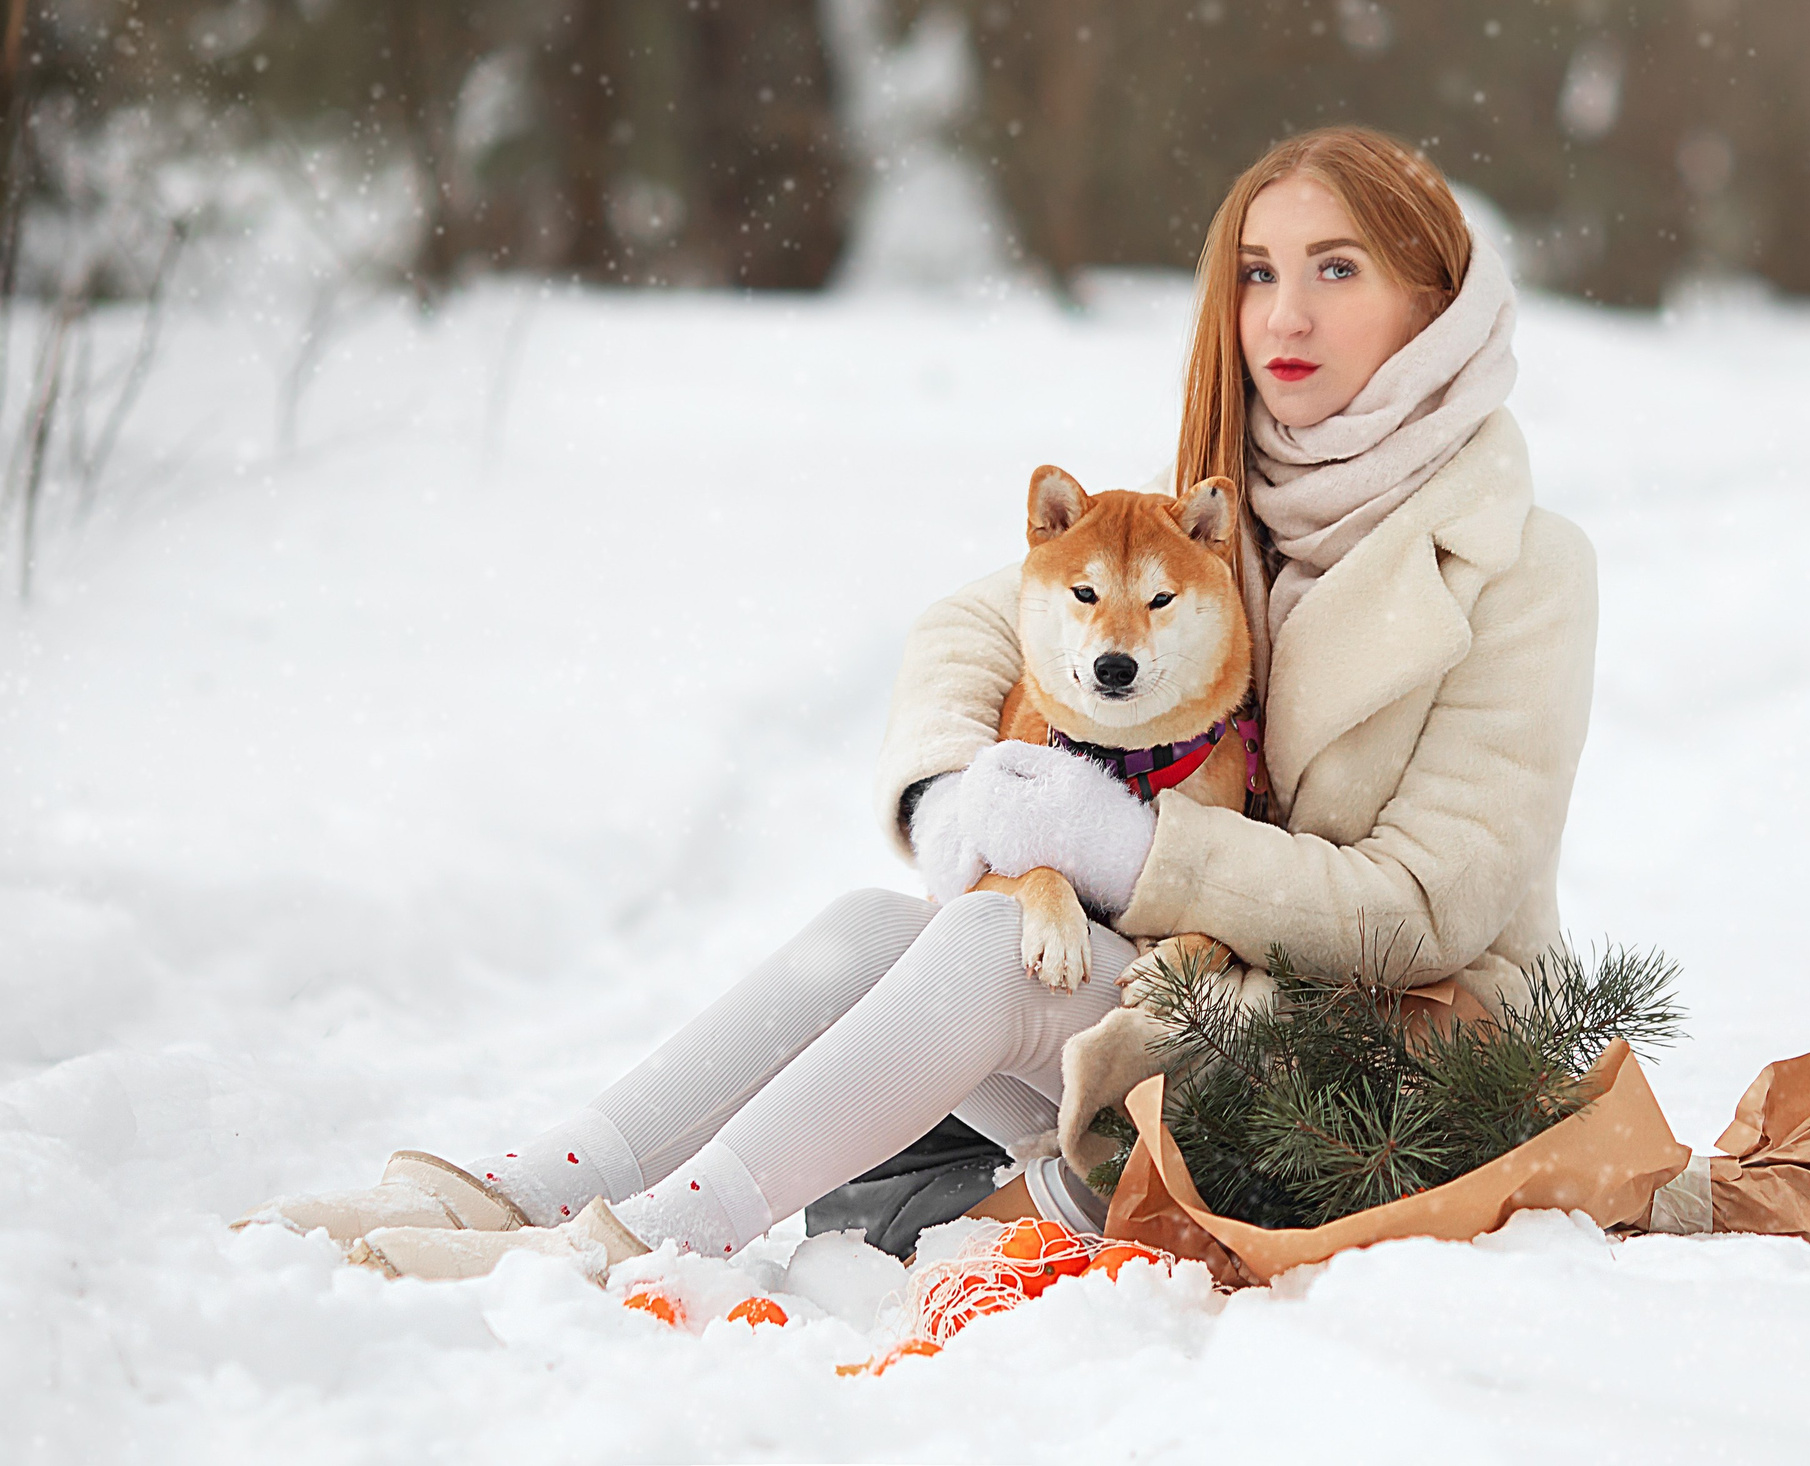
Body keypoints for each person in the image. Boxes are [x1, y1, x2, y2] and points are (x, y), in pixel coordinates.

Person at [244, 126, 1598, 1271]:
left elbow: (1429, 907)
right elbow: (977, 619)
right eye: (1256, 273)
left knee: (994, 946)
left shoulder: (1521, 564)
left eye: (1335, 269)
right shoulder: (1223, 499)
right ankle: (524, 1192)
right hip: (1197, 1007)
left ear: (1434, 299)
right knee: (868, 929)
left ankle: (648, 1239)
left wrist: (1133, 846)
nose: (1282, 316)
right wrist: (961, 792)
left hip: (1378, 1073)